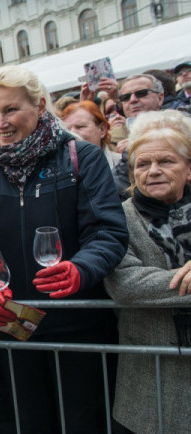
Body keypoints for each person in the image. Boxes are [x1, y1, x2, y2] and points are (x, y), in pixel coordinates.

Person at [0, 65, 128, 434]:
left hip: (79, 324)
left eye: (10, 110)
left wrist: (81, 268)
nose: (0, 122)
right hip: (16, 325)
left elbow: (108, 231)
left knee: (84, 423)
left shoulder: (82, 156)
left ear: (39, 106)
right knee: (32, 424)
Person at [104, 110, 191, 433]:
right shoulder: (118, 217)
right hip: (152, 377)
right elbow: (126, 283)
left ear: (189, 168)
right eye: (142, 164)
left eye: (166, 161)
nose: (153, 171)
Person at [62, 101, 122, 169]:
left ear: (102, 129)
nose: (72, 133)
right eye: (67, 129)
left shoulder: (122, 165)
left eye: (80, 126)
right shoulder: (59, 171)